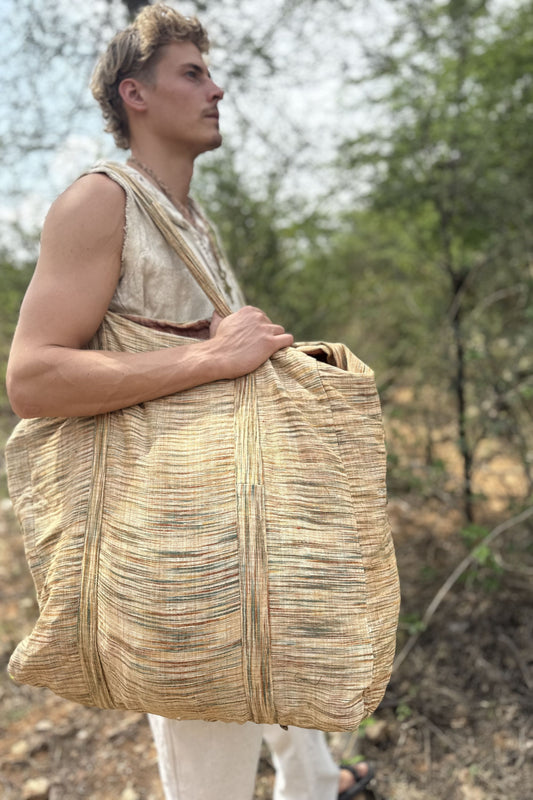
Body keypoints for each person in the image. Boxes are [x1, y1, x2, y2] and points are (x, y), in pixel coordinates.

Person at [6, 4, 374, 799]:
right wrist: (210, 354)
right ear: (134, 95)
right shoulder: (100, 202)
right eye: (192, 74)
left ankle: (320, 783)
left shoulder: (190, 222)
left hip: (220, 509)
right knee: (206, 733)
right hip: (165, 534)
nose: (217, 90)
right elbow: (31, 379)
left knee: (272, 650)